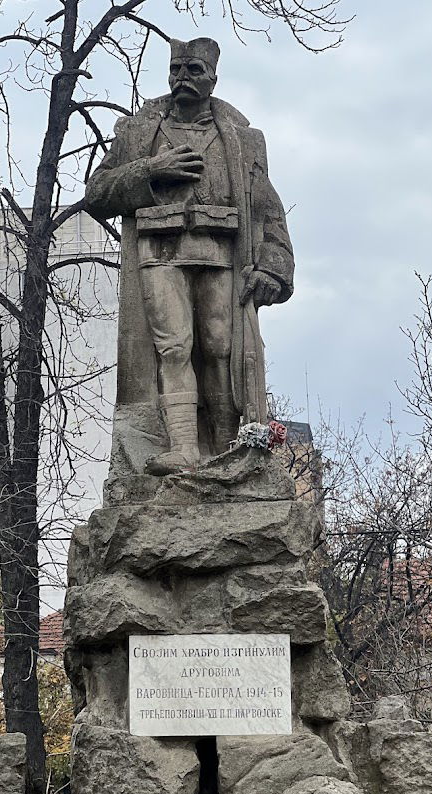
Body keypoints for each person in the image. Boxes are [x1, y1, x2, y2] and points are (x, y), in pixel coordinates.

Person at [85, 37, 294, 475]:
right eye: (176, 69)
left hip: (222, 253)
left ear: (213, 77)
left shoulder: (242, 139)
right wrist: (150, 170)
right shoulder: (139, 132)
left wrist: (274, 266)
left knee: (220, 348)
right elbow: (98, 193)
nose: (184, 78)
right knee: (174, 346)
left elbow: (269, 208)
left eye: (194, 70)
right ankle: (183, 446)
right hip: (159, 250)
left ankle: (223, 448)